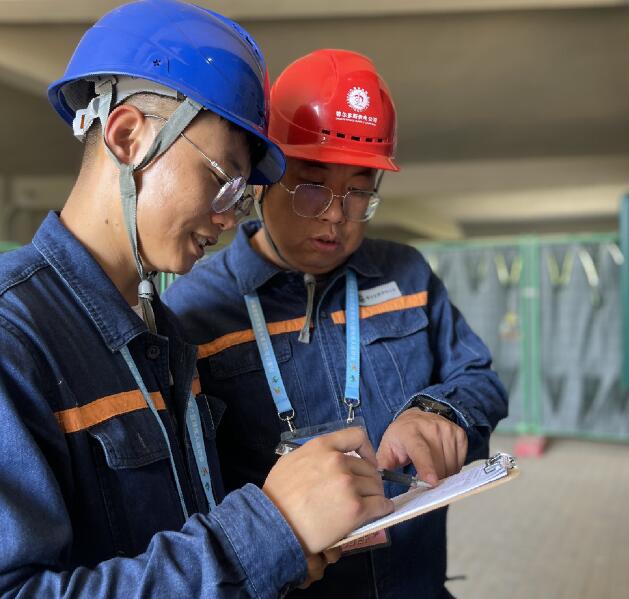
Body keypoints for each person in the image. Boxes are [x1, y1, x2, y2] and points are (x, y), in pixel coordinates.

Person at [0, 7, 393, 598]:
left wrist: (280, 554)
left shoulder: (164, 335)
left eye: (239, 196)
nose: (229, 218)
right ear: (128, 138)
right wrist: (266, 533)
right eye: (222, 179)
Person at [163, 49, 509, 598]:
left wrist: (441, 412)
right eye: (311, 186)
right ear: (262, 180)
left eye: (360, 191)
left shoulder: (406, 274)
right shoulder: (196, 311)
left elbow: (480, 377)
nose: (335, 215)